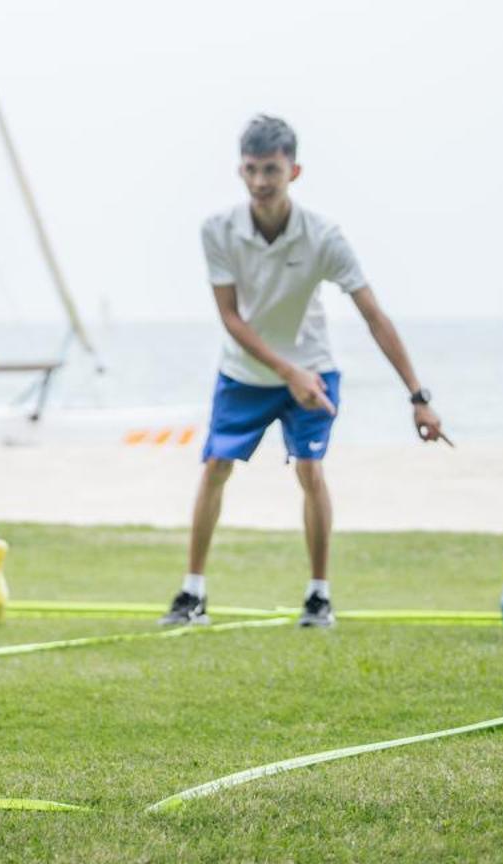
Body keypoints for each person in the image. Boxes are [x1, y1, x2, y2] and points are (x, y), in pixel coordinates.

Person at [160, 114, 448, 631]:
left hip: (314, 369)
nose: (261, 181)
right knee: (215, 468)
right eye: (251, 169)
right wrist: (285, 371)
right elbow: (231, 317)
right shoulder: (218, 231)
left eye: (271, 169)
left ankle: (319, 598)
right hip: (245, 372)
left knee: (310, 470)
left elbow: (373, 315)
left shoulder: (324, 237)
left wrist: (417, 395)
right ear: (239, 170)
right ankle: (192, 594)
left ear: (294, 171)